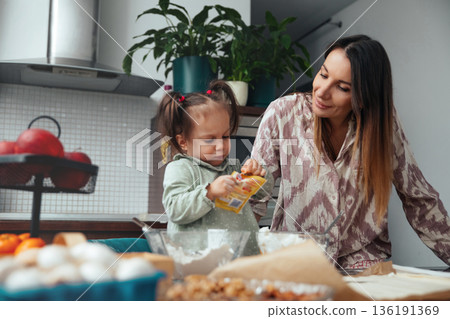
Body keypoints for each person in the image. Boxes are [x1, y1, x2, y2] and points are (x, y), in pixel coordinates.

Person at [250, 34, 450, 269]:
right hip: (295, 262)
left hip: (365, 265)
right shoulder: (282, 113)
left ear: (363, 98)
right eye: (323, 74)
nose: (322, 92)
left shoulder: (383, 124)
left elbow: (418, 199)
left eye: (342, 87)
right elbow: (253, 198)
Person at [157, 80, 273, 256]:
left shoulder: (233, 167)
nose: (220, 146)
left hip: (242, 258)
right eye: (210, 139)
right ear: (183, 142)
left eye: (225, 136)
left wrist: (259, 175)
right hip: (198, 262)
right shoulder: (180, 168)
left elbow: (262, 192)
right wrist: (209, 192)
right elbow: (174, 209)